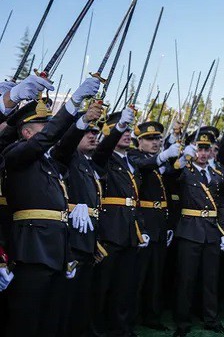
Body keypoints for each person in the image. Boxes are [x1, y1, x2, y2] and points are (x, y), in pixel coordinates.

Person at [2, 76, 100, 336]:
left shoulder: (48, 162)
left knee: (50, 318)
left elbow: (65, 146)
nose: (48, 131)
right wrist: (72, 103)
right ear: (26, 132)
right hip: (31, 248)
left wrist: (81, 120)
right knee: (26, 319)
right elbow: (45, 141)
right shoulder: (16, 154)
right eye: (42, 126)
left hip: (56, 247)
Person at [91, 107, 151, 336]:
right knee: (102, 286)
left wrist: (141, 229)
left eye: (128, 131)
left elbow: (134, 199)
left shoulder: (131, 161)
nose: (127, 134)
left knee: (125, 287)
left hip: (129, 229)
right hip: (109, 230)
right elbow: (102, 150)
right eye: (122, 130)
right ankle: (97, 330)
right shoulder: (104, 157)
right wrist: (117, 130)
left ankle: (122, 328)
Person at [49, 102, 104, 337]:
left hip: (88, 235)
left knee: (82, 293)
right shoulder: (66, 156)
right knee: (66, 296)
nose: (92, 136)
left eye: (95, 132)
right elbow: (64, 146)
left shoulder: (87, 163)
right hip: (71, 236)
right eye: (87, 132)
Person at [172, 131, 224, 336]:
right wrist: (180, 157)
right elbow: (170, 177)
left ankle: (211, 319)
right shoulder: (184, 171)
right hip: (190, 229)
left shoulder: (216, 176)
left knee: (210, 279)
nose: (203, 153)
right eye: (199, 149)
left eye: (206, 149)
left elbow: (221, 204)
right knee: (186, 280)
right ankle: (182, 322)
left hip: (211, 231)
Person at [129, 121, 181, 332]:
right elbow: (145, 165)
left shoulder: (160, 163)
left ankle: (152, 315)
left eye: (157, 139)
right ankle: (131, 318)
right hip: (143, 223)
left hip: (159, 223)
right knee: (138, 276)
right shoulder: (135, 157)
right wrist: (164, 156)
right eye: (149, 139)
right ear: (139, 141)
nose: (155, 142)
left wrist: (179, 159)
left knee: (155, 275)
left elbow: (171, 187)